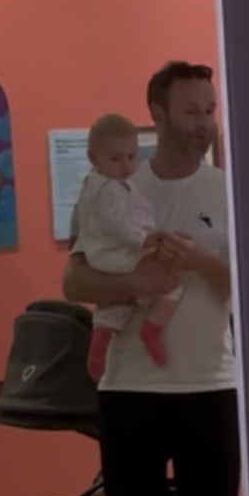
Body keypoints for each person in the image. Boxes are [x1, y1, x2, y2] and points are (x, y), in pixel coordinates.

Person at [63, 61, 249, 496]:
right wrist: (134, 285)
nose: (204, 123)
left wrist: (198, 259)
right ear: (158, 112)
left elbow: (244, 289)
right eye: (192, 110)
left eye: (210, 109)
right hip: (130, 391)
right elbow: (75, 283)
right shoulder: (114, 186)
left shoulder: (227, 189)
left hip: (212, 384)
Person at [75, 112, 182, 380]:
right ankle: (152, 328)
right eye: (115, 158)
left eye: (131, 156)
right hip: (120, 253)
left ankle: (100, 338)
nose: (125, 165)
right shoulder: (109, 189)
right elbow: (117, 223)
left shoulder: (92, 183)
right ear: (93, 158)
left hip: (101, 256)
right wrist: (143, 239)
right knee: (171, 284)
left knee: (115, 304)